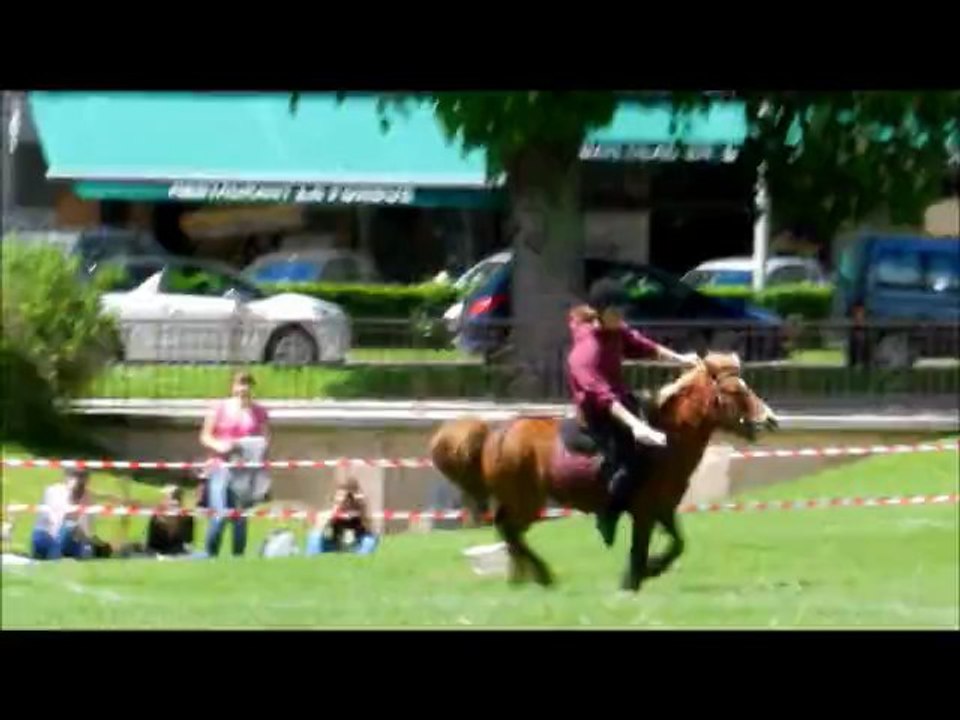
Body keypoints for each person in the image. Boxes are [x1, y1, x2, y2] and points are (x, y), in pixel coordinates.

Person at [567, 278, 700, 547]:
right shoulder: (586, 352)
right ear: (599, 313)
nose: (621, 317)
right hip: (598, 413)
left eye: (622, 311)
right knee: (631, 461)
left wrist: (682, 359)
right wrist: (637, 427)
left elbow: (644, 346)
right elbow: (604, 397)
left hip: (622, 399)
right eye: (616, 312)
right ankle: (609, 514)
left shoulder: (616, 331)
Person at [199, 371, 270, 558]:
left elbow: (265, 440)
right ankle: (210, 555)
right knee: (221, 514)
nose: (243, 388)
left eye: (247, 384)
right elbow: (205, 436)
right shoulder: (218, 408)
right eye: (239, 384)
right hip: (220, 467)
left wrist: (252, 451)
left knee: (240, 518)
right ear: (232, 387)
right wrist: (220, 445)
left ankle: (237, 559)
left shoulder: (259, 412)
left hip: (245, 470)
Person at [30, 469, 95, 560]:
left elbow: (86, 527)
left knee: (85, 547)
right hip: (47, 535)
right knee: (68, 527)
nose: (80, 481)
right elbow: (54, 524)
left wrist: (85, 541)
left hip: (69, 538)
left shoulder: (87, 496)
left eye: (83, 477)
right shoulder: (54, 492)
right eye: (76, 476)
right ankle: (53, 558)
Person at [306, 477, 379, 556]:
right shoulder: (332, 507)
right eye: (340, 496)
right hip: (335, 541)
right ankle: (312, 559)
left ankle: (360, 559)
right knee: (315, 535)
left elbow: (370, 529)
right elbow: (318, 530)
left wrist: (360, 511)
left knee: (369, 540)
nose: (343, 500)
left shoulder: (360, 508)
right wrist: (334, 512)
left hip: (355, 542)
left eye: (347, 498)